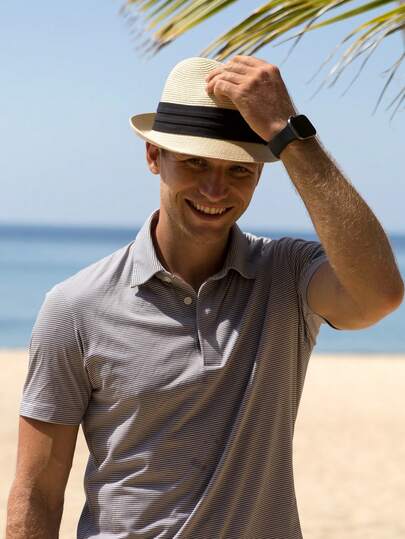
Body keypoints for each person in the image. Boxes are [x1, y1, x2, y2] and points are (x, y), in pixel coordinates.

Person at [6, 56, 403, 539]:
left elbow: (380, 293)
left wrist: (290, 132)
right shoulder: (75, 307)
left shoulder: (288, 277)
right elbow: (37, 494)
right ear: (154, 156)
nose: (216, 189)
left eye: (239, 170)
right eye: (195, 163)